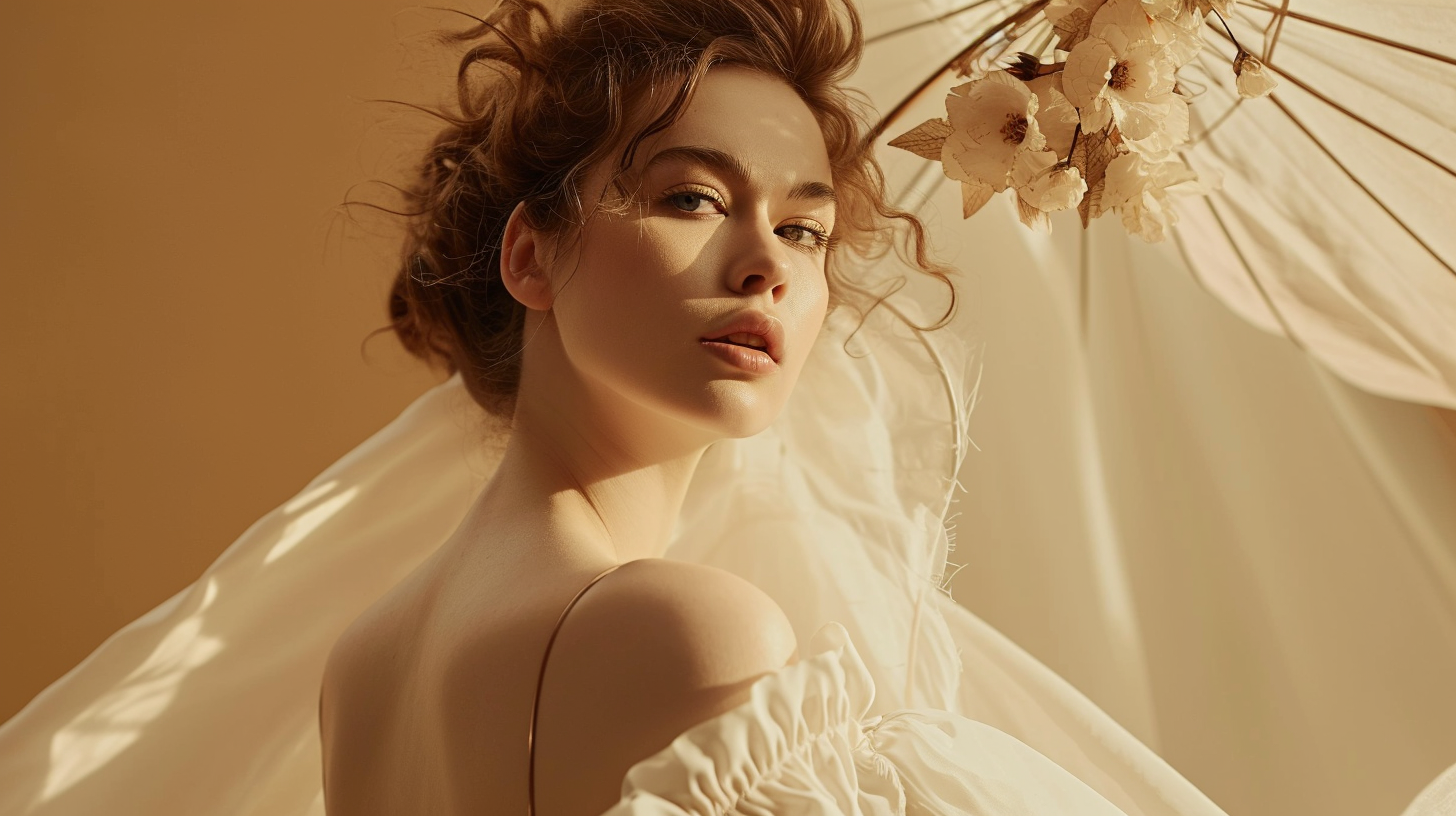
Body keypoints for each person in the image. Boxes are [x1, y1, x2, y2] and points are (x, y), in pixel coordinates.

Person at [0, 0, 1233, 814]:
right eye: (693, 199)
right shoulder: (681, 634)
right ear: (529, 258)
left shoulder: (365, 664)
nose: (768, 264)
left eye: (803, 226)